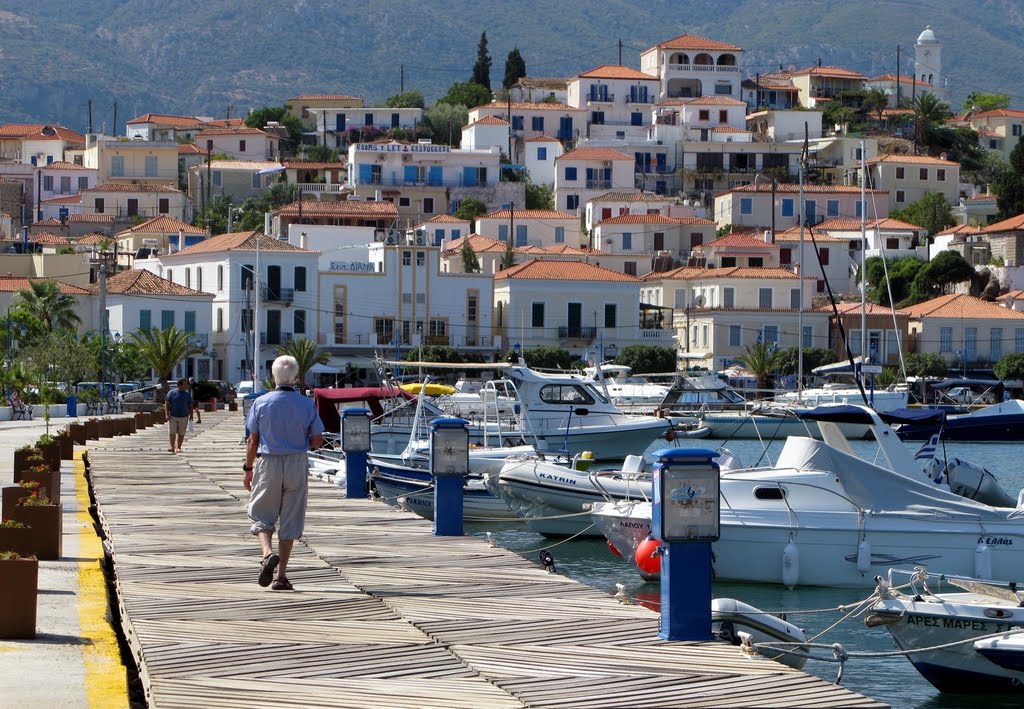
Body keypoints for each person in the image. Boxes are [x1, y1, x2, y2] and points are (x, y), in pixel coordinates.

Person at [243, 355, 324, 591]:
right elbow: (317, 439)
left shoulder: (261, 402)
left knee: (262, 515)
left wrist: (248, 470)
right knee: (291, 519)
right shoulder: (307, 404)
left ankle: (267, 552)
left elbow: (252, 440)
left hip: (268, 462)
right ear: (296, 377)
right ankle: (281, 577)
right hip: (297, 462)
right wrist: (301, 445)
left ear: (273, 376)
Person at [164, 377, 193, 453]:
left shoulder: (187, 394)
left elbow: (190, 405)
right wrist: (167, 414)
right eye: (185, 384)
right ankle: (172, 447)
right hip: (172, 416)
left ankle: (179, 447)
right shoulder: (171, 393)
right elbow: (166, 403)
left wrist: (191, 415)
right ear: (179, 385)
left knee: (181, 433)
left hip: (184, 416)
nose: (186, 386)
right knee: (172, 432)